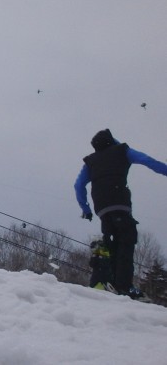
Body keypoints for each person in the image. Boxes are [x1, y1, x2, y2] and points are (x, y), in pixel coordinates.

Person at [74, 128, 167, 300]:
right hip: (119, 202)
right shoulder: (122, 150)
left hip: (101, 207)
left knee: (112, 242)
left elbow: (78, 186)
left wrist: (86, 209)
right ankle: (125, 286)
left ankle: (111, 283)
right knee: (126, 240)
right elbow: (146, 160)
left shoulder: (90, 161)